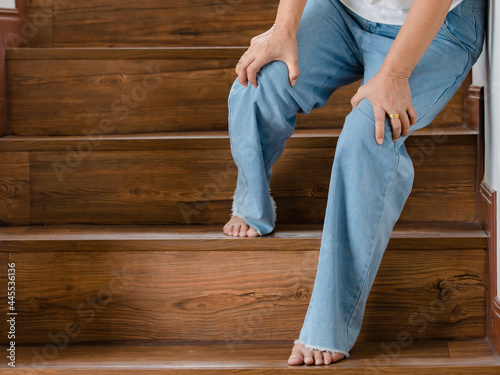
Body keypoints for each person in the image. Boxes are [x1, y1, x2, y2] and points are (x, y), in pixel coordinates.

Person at [222, 0, 486, 366]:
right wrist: (282, 30)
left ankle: (329, 324)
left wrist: (394, 76)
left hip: (440, 24)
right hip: (342, 9)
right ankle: (252, 201)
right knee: (258, 83)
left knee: (370, 131)